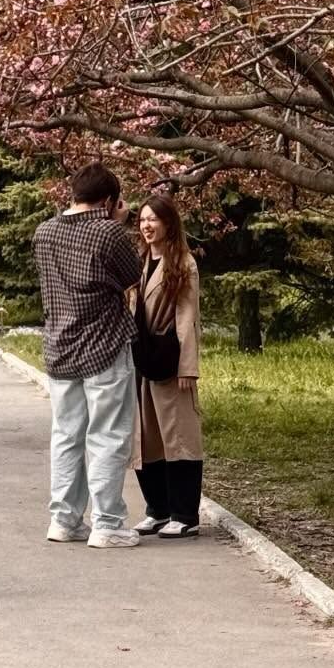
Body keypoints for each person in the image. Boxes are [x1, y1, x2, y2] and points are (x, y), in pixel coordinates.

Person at [33, 163, 143, 548]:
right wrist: (121, 221)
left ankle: (64, 520)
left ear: (72, 195)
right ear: (110, 200)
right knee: (108, 435)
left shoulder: (44, 231)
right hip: (104, 344)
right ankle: (108, 522)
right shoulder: (110, 231)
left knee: (66, 434)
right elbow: (133, 274)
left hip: (60, 346)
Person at [131, 196, 203, 536]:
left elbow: (187, 315)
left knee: (179, 436)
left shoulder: (183, 263)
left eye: (154, 219)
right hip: (143, 360)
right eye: (143, 219)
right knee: (146, 439)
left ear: (169, 223)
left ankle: (184, 514)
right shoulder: (143, 261)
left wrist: (188, 365)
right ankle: (158, 508)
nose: (147, 225)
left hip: (171, 360)